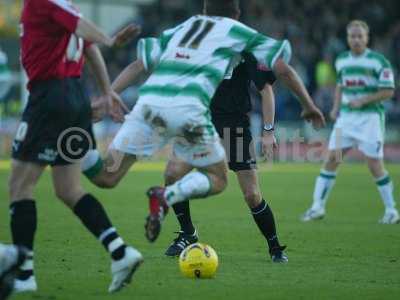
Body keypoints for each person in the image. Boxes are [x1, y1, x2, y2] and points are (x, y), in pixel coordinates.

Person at [82, 0, 326, 246]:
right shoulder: (240, 33)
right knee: (212, 178)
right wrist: (309, 105)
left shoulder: (185, 27)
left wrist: (107, 95)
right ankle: (173, 208)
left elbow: (138, 64)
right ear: (237, 13)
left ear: (205, 10)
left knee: (106, 176)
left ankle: (75, 147)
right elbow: (284, 69)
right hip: (191, 112)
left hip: (155, 104)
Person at [10, 0, 141, 294]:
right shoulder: (63, 5)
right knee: (68, 189)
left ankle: (23, 274)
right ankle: (120, 252)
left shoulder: (43, 2)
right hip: (74, 99)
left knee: (19, 186)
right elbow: (87, 46)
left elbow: (88, 35)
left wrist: (109, 39)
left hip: (50, 99)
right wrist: (106, 91)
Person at [301, 20, 399, 224]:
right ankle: (317, 207)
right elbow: (340, 85)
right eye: (352, 36)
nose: (356, 39)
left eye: (359, 36)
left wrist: (363, 99)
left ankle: (391, 210)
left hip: (370, 118)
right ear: (347, 38)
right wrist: (336, 108)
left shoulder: (378, 61)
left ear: (366, 38)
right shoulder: (342, 60)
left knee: (374, 165)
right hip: (346, 119)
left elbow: (389, 91)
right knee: (331, 159)